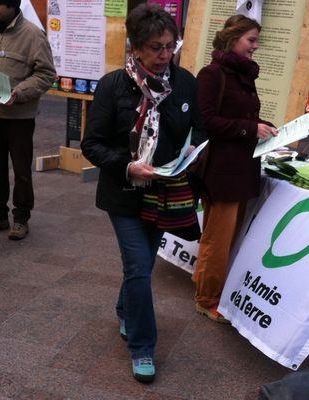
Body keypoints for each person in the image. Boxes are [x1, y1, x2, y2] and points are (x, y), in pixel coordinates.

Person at [81, 4, 205, 383]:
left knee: (142, 266)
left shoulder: (184, 82)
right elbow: (93, 144)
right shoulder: (113, 86)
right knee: (138, 267)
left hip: (165, 192)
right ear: (135, 47)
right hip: (124, 193)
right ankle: (142, 347)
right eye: (155, 47)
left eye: (170, 46)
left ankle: (125, 309)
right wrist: (127, 165)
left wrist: (190, 149)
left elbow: (197, 128)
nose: (164, 55)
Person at [193, 15, 277, 323]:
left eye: (256, 41)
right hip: (222, 171)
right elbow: (206, 122)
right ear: (233, 39)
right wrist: (249, 129)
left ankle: (205, 285)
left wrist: (263, 127)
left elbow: (240, 115)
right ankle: (207, 298)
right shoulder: (212, 74)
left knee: (224, 236)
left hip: (241, 168)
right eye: (251, 40)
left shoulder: (242, 74)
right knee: (218, 237)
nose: (255, 47)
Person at [0, 0, 55, 240]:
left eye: (0, 4)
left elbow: (46, 73)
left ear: (13, 6)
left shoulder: (33, 35)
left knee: (21, 170)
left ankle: (21, 218)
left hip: (19, 116)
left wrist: (20, 92)